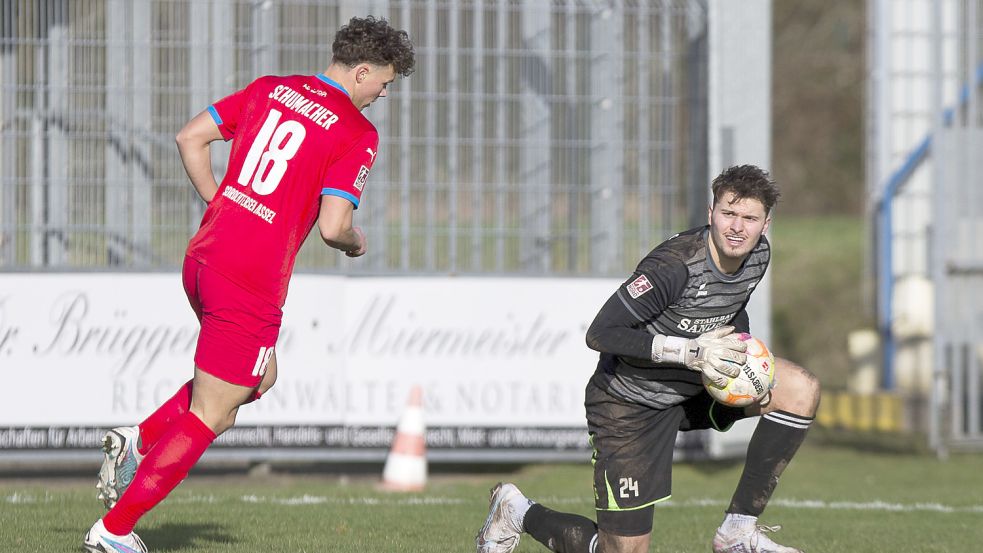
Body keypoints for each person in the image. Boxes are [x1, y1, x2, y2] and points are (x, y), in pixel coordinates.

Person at [83, 16, 415, 553]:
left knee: (257, 379)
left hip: (204, 260)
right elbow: (333, 227)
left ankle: (137, 440)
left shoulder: (270, 89)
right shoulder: (356, 133)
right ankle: (113, 532)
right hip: (250, 280)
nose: (381, 95)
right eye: (384, 83)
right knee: (215, 412)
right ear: (361, 72)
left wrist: (222, 205)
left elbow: (190, 138)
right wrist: (355, 242)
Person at [476, 165, 821, 553]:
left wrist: (739, 353)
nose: (737, 227)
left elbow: (730, 309)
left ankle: (738, 530)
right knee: (623, 549)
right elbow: (600, 333)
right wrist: (688, 351)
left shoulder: (758, 256)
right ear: (711, 214)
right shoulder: (673, 267)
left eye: (749, 218)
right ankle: (517, 511)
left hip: (693, 391)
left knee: (800, 389)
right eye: (728, 213)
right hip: (629, 405)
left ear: (765, 223)